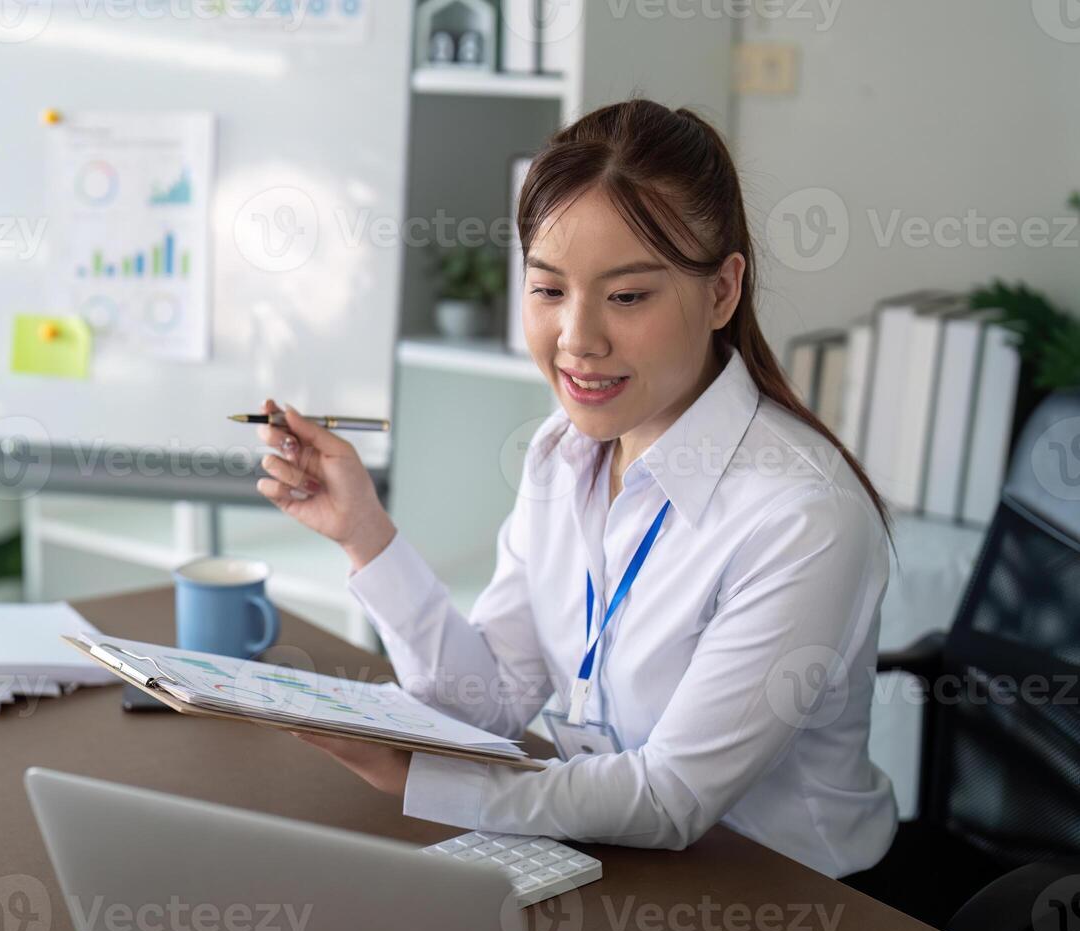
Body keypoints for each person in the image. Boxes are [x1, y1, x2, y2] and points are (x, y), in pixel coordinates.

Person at [253, 99, 897, 878]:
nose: (577, 341)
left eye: (627, 297)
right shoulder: (564, 454)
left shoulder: (801, 516)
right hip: (614, 862)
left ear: (723, 291)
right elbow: (488, 700)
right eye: (549, 290)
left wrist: (431, 778)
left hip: (798, 904)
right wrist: (364, 533)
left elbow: (669, 798)